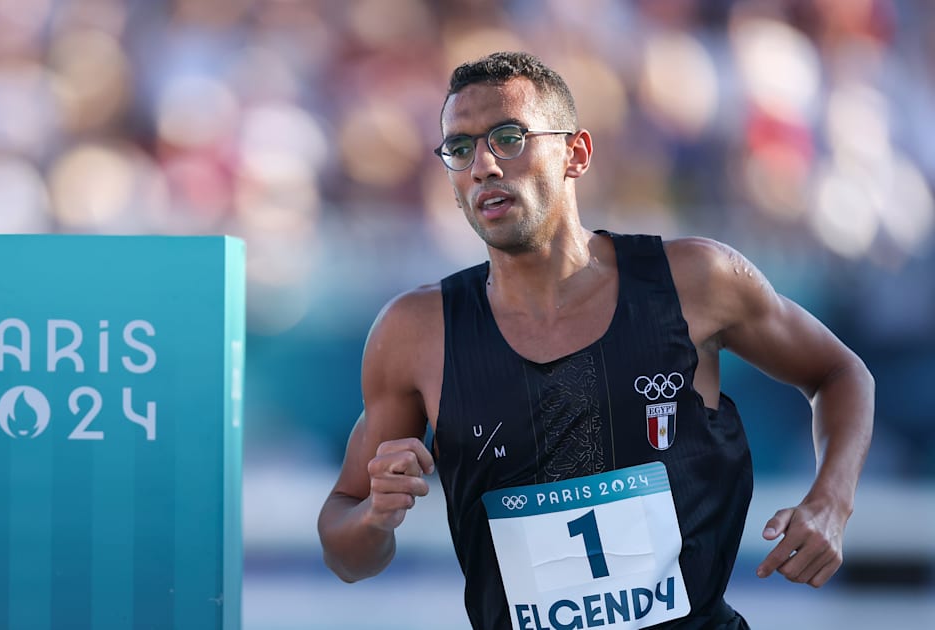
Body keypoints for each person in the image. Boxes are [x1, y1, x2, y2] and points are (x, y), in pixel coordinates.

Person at [316, 51, 874, 630]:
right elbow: (346, 551)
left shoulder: (695, 281)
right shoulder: (415, 331)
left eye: (508, 138)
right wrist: (376, 519)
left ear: (575, 153)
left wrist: (831, 501)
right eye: (460, 148)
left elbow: (840, 374)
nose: (482, 166)